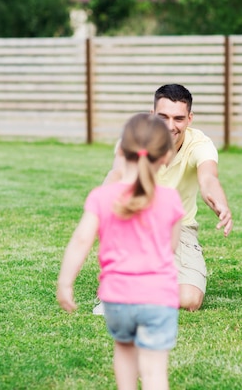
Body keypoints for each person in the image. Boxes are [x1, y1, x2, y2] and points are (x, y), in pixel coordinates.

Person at [56, 112, 184, 390]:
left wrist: (65, 283)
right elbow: (170, 247)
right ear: (164, 157)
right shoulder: (171, 199)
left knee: (124, 355)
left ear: (119, 149)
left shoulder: (101, 196)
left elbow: (81, 240)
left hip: (117, 300)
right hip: (157, 299)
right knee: (154, 374)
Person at [96, 84, 233, 313]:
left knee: (190, 300)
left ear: (190, 118)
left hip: (181, 229)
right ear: (152, 116)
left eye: (178, 118)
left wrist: (220, 203)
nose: (171, 126)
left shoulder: (200, 144)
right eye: (163, 117)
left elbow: (208, 178)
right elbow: (117, 174)